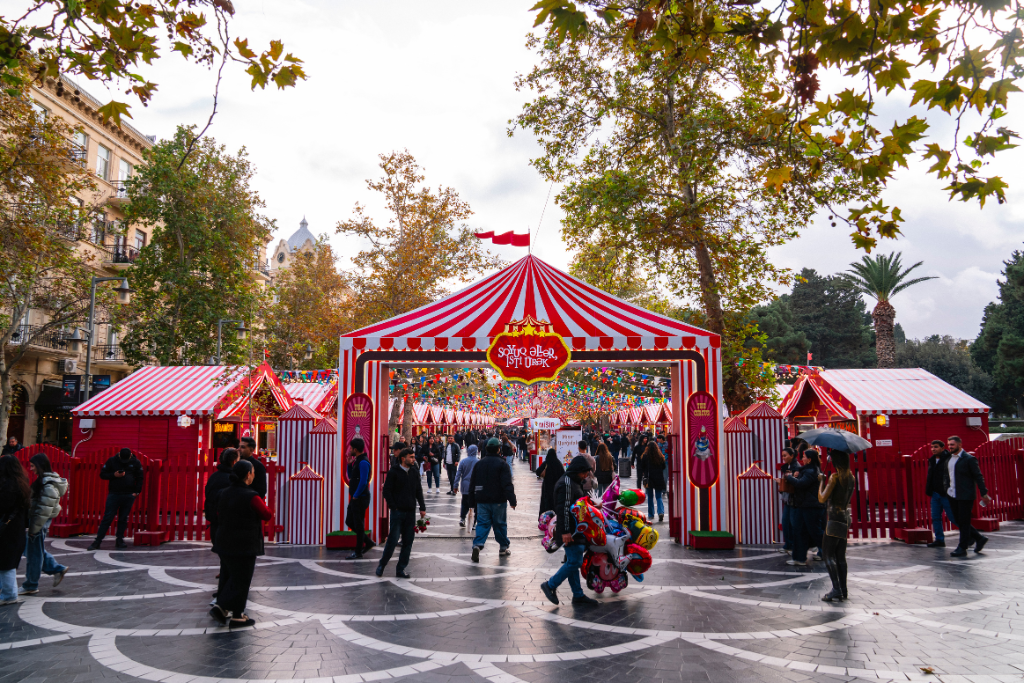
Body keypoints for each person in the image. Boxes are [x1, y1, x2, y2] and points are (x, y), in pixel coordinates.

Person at [209, 459, 272, 628]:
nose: (253, 475)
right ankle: (222, 607)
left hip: (224, 541)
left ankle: (236, 613)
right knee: (241, 580)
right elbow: (267, 514)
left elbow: (217, 512)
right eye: (252, 472)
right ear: (248, 475)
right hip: (244, 544)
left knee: (230, 577)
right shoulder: (252, 496)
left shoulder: (223, 493)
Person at [539, 455, 599, 606]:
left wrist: (592, 506)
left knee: (572, 561)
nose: (586, 476)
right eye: (584, 472)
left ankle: (578, 595)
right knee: (575, 561)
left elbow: (579, 503)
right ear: (577, 470)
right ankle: (550, 585)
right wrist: (565, 532)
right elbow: (563, 509)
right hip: (571, 530)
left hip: (577, 528)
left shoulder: (575, 482)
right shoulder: (566, 483)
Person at [21, 454, 68, 595]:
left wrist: (34, 529)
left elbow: (43, 510)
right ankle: (56, 568)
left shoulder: (48, 484)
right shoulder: (45, 481)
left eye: (33, 465)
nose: (31, 468)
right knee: (32, 550)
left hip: (38, 523)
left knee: (34, 554)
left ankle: (31, 584)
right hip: (37, 522)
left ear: (40, 465)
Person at [376, 447, 426, 578]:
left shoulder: (414, 472)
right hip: (397, 513)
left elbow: (418, 490)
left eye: (414, 457)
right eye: (411, 457)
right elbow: (386, 491)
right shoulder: (394, 472)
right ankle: (382, 564)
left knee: (408, 542)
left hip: (410, 512)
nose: (414, 459)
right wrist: (394, 506)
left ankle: (401, 569)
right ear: (403, 459)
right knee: (392, 540)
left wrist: (422, 507)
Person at [468, 438, 517, 562]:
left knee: (483, 523)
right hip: (498, 500)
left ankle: (478, 545)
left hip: (482, 500)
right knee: (499, 524)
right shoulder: (502, 464)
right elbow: (507, 484)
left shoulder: (479, 464)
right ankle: (503, 547)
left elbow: (472, 483)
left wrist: (471, 501)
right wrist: (512, 500)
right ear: (499, 449)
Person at [87, 448, 144, 550]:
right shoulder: (112, 460)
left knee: (123, 518)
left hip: (128, 494)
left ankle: (120, 540)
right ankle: (98, 541)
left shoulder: (135, 462)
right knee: (108, 517)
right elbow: (102, 474)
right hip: (114, 493)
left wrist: (136, 492)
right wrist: (114, 475)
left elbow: (140, 477)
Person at [818, 451, 856, 601]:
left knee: (828, 555)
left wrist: (821, 481)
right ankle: (843, 589)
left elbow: (822, 498)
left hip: (833, 518)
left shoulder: (835, 477)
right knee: (841, 556)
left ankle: (836, 588)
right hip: (845, 517)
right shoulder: (851, 477)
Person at [946, 436, 992, 557]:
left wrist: (984, 493)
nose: (950, 447)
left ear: (960, 445)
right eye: (949, 445)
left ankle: (962, 547)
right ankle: (979, 538)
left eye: (952, 445)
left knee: (964, 521)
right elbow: (948, 475)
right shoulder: (949, 459)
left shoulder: (969, 459)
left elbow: (978, 476)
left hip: (965, 495)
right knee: (958, 520)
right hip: (952, 494)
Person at [784, 449, 824, 566]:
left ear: (810, 459)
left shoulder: (811, 471)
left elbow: (801, 484)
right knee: (800, 531)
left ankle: (828, 551)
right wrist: (796, 475)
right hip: (805, 505)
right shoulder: (808, 470)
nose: (802, 459)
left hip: (810, 507)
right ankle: (799, 558)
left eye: (804, 457)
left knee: (815, 532)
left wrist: (790, 477)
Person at [0, 456, 30, 605]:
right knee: (8, 561)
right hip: (16, 527)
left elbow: (3, 506)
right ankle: (7, 592)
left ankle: (9, 594)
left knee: (6, 562)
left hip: (7, 528)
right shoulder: (22, 482)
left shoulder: (8, 486)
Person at [204, 448, 239, 551]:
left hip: (214, 523)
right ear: (234, 462)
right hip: (228, 526)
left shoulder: (213, 477)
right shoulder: (232, 478)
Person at [924, 440, 957, 548]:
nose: (933, 449)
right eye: (932, 447)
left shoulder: (948, 458)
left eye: (936, 447)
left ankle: (971, 535)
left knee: (953, 517)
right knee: (935, 517)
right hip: (935, 493)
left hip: (946, 493)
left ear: (942, 448)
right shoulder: (932, 460)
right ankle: (939, 540)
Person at [346, 437, 374, 559]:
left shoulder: (363, 462)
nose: (350, 450)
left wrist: (356, 496)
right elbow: (352, 477)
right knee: (350, 521)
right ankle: (368, 542)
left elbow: (363, 482)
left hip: (360, 498)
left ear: (356, 449)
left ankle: (358, 551)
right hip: (356, 497)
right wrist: (349, 465)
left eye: (351, 448)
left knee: (358, 524)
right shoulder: (357, 460)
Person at [778, 447, 799, 554]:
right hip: (788, 499)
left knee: (792, 523)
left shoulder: (797, 468)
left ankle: (793, 545)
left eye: (785, 455)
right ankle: (789, 544)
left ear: (792, 455)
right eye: (782, 456)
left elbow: (795, 483)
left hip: (793, 499)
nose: (783, 458)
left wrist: (782, 482)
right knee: (786, 523)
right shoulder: (788, 467)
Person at [453, 444, 479, 528]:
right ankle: (474, 523)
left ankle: (462, 518)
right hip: (476, 486)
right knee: (476, 504)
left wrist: (455, 485)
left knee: (465, 502)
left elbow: (458, 474)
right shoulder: (478, 462)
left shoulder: (463, 461)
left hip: (465, 485)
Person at [642, 442, 667, 522]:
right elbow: (663, 466)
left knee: (650, 497)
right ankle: (660, 512)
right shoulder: (660, 456)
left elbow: (643, 467)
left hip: (649, 479)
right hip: (659, 478)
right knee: (659, 496)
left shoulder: (645, 456)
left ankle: (651, 514)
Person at [538, 448, 564, 516]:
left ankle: (546, 518)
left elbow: (538, 471)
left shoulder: (546, 462)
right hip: (556, 487)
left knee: (546, 503)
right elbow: (563, 474)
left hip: (547, 487)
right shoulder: (558, 463)